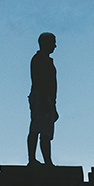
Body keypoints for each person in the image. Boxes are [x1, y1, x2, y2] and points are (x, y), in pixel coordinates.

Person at [27, 32, 58, 166]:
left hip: (48, 98)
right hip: (40, 96)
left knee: (46, 132)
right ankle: (32, 160)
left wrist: (53, 103)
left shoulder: (47, 60)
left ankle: (48, 162)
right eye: (53, 42)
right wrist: (45, 98)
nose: (55, 46)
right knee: (36, 128)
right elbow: (39, 80)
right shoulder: (38, 59)